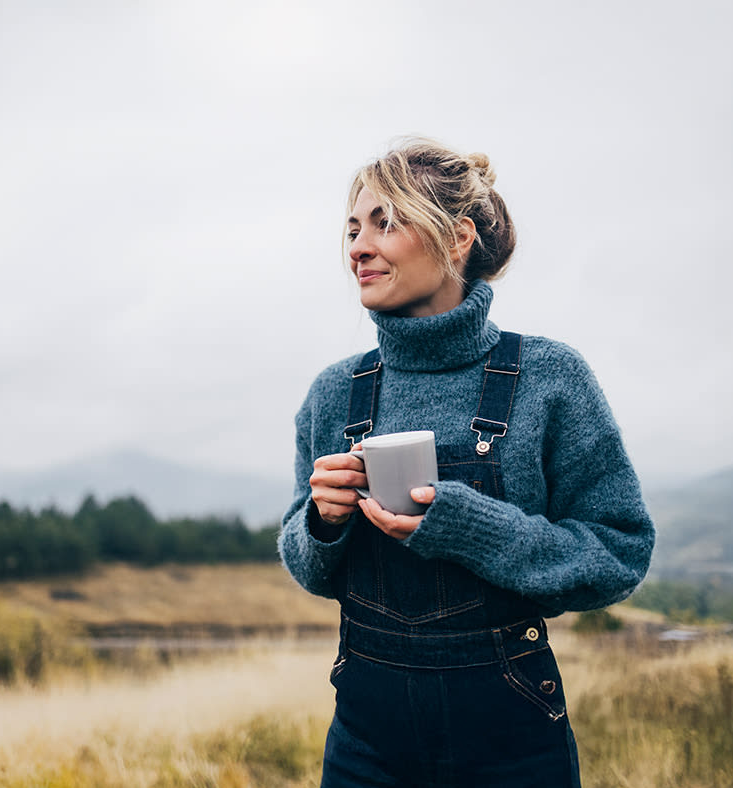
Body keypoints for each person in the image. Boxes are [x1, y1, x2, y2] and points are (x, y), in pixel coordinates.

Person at [277, 138, 655, 787]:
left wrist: (465, 525)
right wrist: (321, 521)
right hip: (365, 748)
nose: (358, 248)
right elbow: (307, 567)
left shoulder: (550, 378)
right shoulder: (334, 392)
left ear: (456, 240)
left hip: (512, 747)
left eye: (385, 223)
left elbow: (619, 555)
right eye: (352, 229)